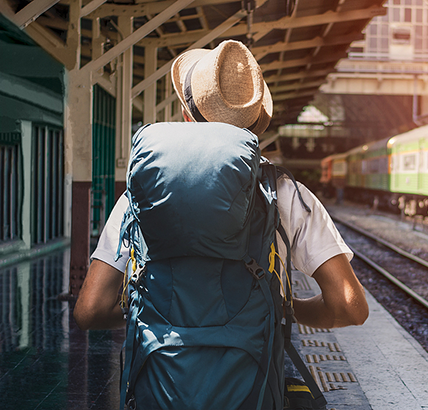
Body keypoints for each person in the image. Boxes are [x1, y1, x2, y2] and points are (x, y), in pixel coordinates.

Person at [73, 40, 368, 370]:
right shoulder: (284, 193)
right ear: (257, 124)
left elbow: (89, 311)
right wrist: (279, 305)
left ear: (187, 116)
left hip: (162, 386)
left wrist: (152, 309)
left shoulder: (143, 191)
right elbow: (349, 307)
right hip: (248, 386)